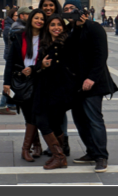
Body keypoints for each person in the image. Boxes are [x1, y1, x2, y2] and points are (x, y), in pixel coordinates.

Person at [63, 0, 118, 173]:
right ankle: (91, 151)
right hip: (76, 84)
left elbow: (101, 55)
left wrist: (92, 79)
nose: (70, 12)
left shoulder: (95, 28)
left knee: (94, 119)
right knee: (80, 120)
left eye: (73, 9)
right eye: (66, 10)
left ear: (81, 10)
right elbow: (69, 48)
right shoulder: (71, 30)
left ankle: (101, 156)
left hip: (92, 83)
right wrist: (77, 27)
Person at [32, 14, 82, 169]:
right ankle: (58, 155)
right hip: (45, 87)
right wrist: (42, 65)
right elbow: (40, 64)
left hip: (60, 89)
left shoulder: (67, 42)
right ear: (47, 27)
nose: (56, 28)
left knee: (48, 121)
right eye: (52, 24)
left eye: (59, 25)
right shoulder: (45, 42)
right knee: (49, 122)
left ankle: (59, 156)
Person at [3, 9, 46, 162]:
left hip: (41, 80)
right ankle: (35, 145)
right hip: (23, 82)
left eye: (42, 18)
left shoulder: (46, 38)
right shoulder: (20, 37)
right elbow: (10, 61)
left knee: (37, 114)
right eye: (36, 18)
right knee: (29, 114)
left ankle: (27, 148)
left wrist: (35, 68)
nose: (39, 21)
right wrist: (6, 82)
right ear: (30, 19)